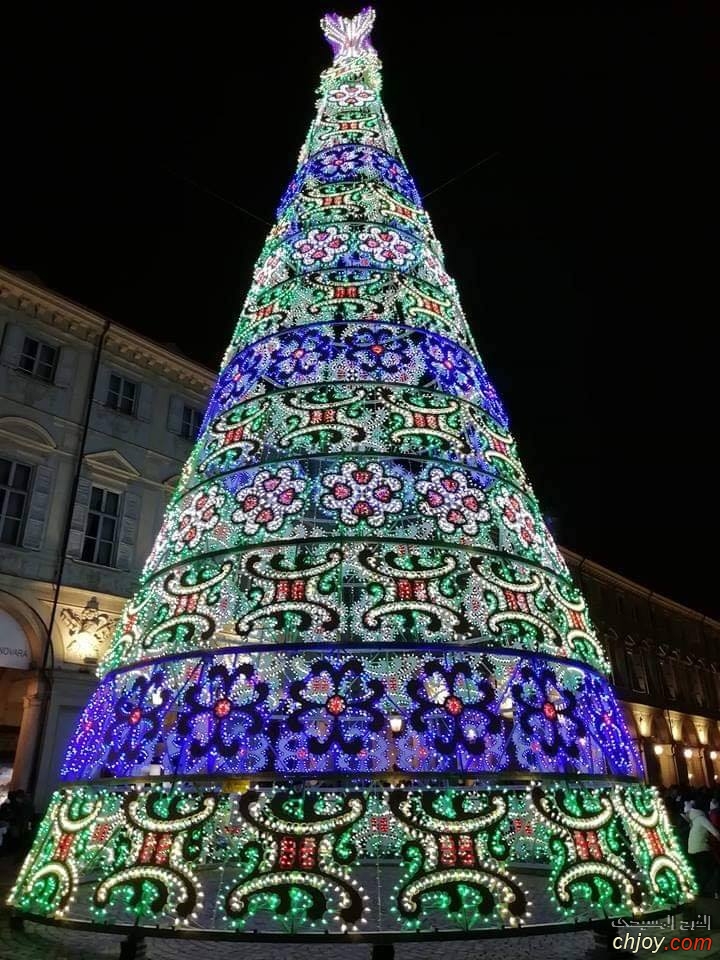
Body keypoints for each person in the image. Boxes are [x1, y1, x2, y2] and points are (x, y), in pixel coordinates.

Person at [687, 802, 720, 897]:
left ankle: (701, 891)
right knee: (712, 869)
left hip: (692, 850)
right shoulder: (702, 819)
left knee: (702, 871)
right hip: (701, 849)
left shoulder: (694, 821)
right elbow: (714, 831)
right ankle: (709, 891)